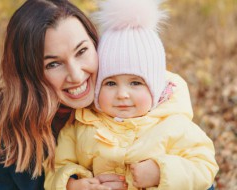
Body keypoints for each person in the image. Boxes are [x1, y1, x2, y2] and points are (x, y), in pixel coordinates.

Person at [45, 0, 219, 189]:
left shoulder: (173, 124)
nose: (122, 94)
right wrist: (72, 184)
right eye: (110, 83)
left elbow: (204, 166)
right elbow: (57, 167)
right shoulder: (81, 125)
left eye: (135, 83)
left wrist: (160, 172)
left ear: (154, 88)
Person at [0, 0, 129, 189]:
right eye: (53, 64)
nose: (76, 75)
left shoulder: (134, 95)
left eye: (82, 51)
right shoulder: (8, 127)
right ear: (30, 74)